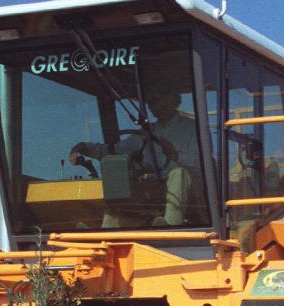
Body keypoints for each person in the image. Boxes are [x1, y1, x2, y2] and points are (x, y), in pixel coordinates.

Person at [68, 92, 203, 227]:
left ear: (174, 100)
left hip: (194, 193)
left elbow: (199, 165)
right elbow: (113, 151)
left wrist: (174, 156)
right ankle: (103, 236)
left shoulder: (192, 128)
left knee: (178, 173)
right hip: (155, 189)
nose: (152, 105)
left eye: (156, 100)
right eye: (150, 102)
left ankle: (170, 226)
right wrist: (83, 147)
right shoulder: (146, 133)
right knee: (120, 185)